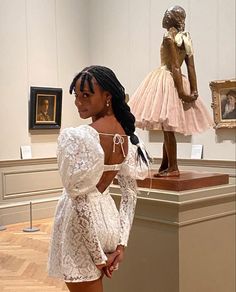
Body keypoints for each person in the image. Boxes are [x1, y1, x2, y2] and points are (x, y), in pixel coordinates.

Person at [48, 65, 149, 292]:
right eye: (77, 95)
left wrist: (97, 256)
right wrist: (121, 244)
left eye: (86, 95)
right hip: (108, 220)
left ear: (107, 97)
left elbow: (80, 201)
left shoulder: (80, 137)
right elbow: (130, 195)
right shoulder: (128, 138)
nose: (78, 102)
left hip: (82, 228)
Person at [129, 5, 213, 177]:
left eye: (167, 14)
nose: (164, 17)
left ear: (173, 18)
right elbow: (190, 67)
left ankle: (173, 167)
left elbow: (175, 66)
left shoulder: (169, 37)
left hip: (167, 78)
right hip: (176, 80)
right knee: (167, 127)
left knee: (167, 128)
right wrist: (194, 90)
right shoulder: (186, 38)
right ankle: (166, 164)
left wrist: (183, 93)